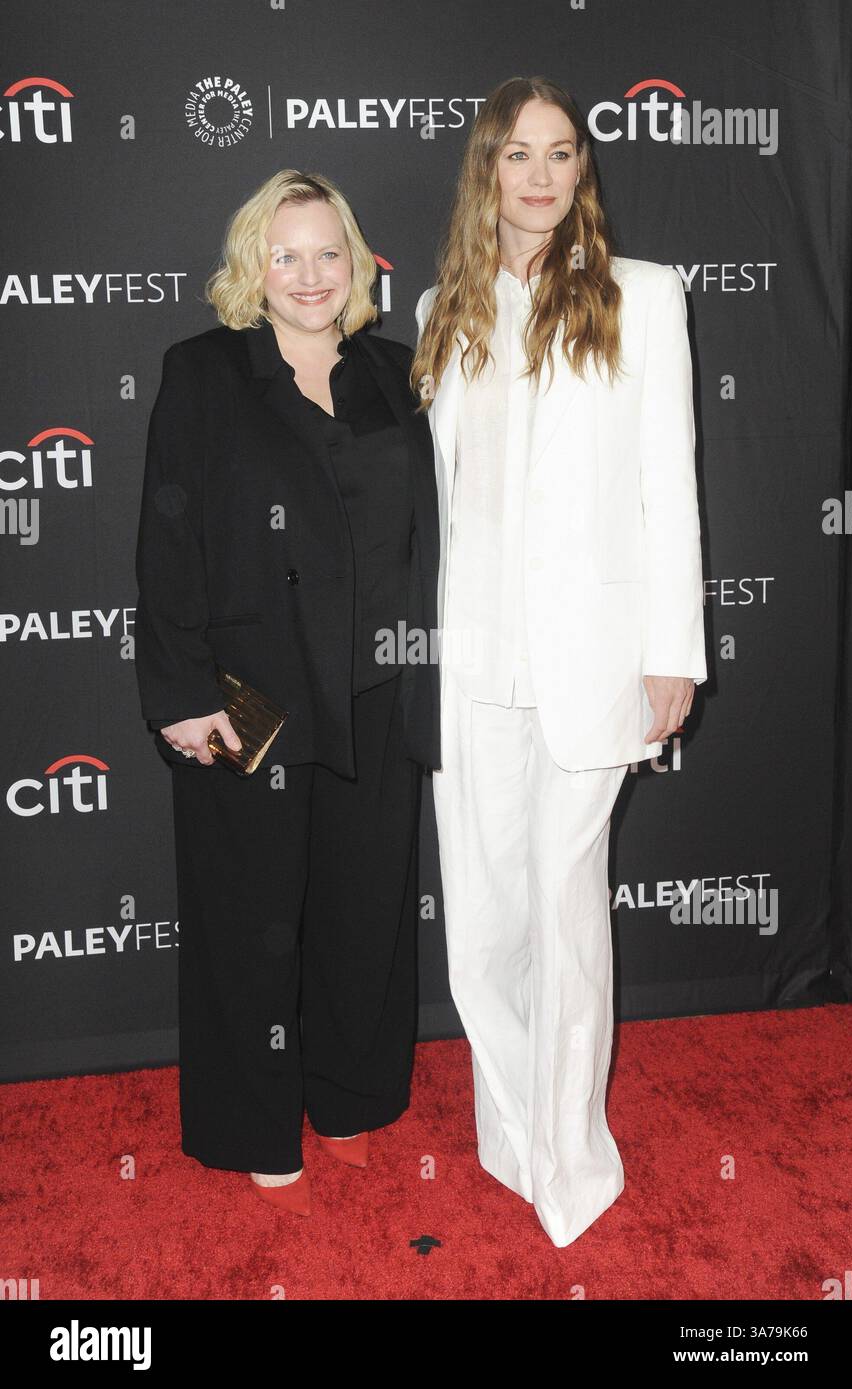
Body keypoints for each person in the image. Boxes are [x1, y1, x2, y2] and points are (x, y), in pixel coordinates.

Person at [412, 77, 707, 1247]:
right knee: (483, 920)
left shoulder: (644, 296)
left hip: (596, 662)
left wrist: (672, 650)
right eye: (517, 153)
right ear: (486, 169)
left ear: (583, 171)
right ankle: (511, 1136)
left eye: (562, 153)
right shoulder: (448, 305)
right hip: (477, 659)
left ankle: (573, 1163)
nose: (539, 174)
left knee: (566, 910)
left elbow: (668, 486)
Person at [134, 170, 440, 1216]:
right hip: (244, 696)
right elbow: (167, 538)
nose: (311, 276)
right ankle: (252, 1121)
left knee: (364, 909)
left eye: (329, 253)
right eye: (286, 254)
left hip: (378, 688)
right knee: (247, 916)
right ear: (251, 267)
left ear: (357, 264)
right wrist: (177, 690)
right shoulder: (205, 370)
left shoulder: (399, 375)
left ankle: (350, 1091)